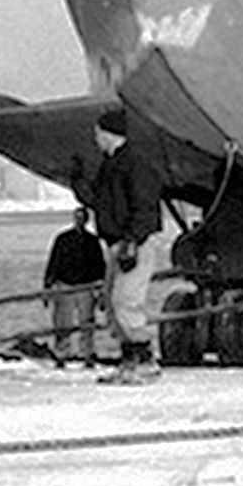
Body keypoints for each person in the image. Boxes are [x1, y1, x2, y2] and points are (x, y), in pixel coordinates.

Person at [85, 106, 164, 383]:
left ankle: (144, 360)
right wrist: (80, 183)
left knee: (126, 301)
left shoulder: (134, 163)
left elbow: (145, 207)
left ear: (108, 133)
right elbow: (102, 202)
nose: (95, 138)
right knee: (113, 303)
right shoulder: (112, 164)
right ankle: (129, 359)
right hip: (117, 242)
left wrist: (132, 240)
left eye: (97, 133)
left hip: (134, 243)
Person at [41, 204, 106, 368]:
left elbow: (99, 266)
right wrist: (48, 286)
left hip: (86, 286)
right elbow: (54, 262)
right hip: (65, 284)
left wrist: (101, 289)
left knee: (87, 323)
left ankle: (88, 354)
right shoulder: (63, 239)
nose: (79, 221)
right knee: (63, 322)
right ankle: (62, 354)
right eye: (77, 217)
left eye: (82, 218)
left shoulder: (92, 241)